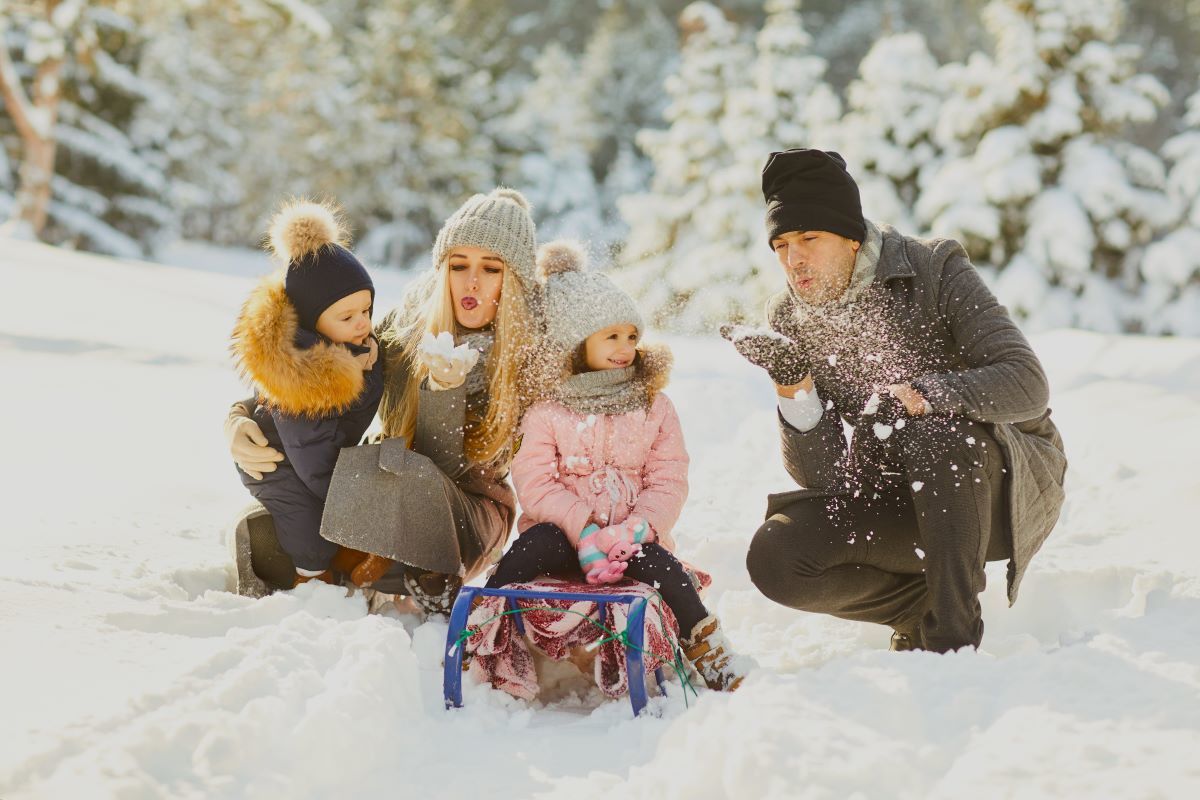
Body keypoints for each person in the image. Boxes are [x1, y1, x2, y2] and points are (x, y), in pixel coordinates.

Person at [731, 148, 1067, 653]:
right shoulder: (790, 315)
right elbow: (823, 479)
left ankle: (952, 639)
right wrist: (793, 383)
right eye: (780, 245)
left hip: (995, 489)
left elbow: (1027, 383)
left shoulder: (934, 267)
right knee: (777, 555)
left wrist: (923, 396)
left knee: (930, 432)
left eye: (808, 238)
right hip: (899, 497)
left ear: (850, 236)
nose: (792, 259)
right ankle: (918, 612)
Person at [226, 188, 541, 613]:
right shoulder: (407, 330)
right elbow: (317, 370)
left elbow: (444, 466)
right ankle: (333, 562)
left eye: (491, 268)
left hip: (464, 515)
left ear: (515, 278)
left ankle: (399, 570)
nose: (471, 282)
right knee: (280, 518)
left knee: (404, 476)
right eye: (458, 265)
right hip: (389, 485)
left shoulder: (529, 357)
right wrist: (241, 417)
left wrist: (443, 394)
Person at [485, 240, 748, 691]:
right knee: (533, 546)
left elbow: (668, 477)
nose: (625, 347)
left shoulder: (653, 406)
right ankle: (484, 621)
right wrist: (584, 529)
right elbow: (535, 481)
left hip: (630, 541)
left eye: (631, 336)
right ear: (576, 342)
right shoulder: (547, 410)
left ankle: (706, 645)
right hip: (567, 538)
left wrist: (637, 528)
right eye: (611, 337)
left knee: (662, 567)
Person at [229, 199, 383, 587]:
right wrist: (355, 507)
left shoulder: (360, 350)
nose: (363, 323)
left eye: (366, 310)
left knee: (330, 514)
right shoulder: (303, 381)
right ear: (312, 324)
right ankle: (309, 580)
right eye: (347, 317)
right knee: (309, 530)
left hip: (316, 457)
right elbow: (314, 461)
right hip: (277, 463)